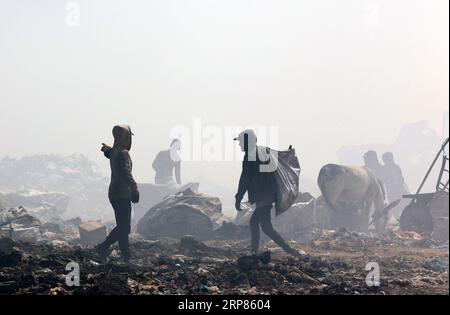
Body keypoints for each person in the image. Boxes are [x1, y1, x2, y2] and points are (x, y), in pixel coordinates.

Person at [234, 129, 299, 256]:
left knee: (254, 222)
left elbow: (245, 178)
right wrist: (288, 153)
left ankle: (254, 252)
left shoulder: (251, 155)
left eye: (241, 142)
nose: (240, 144)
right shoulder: (263, 151)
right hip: (269, 194)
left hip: (264, 195)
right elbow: (279, 159)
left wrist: (238, 196)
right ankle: (290, 250)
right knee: (267, 227)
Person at [96, 124, 139, 262]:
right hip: (122, 194)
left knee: (122, 226)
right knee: (124, 227)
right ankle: (103, 246)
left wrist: (106, 148)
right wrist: (134, 188)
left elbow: (109, 152)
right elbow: (127, 173)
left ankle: (126, 257)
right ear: (126, 137)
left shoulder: (115, 151)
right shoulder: (123, 153)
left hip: (113, 193)